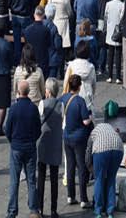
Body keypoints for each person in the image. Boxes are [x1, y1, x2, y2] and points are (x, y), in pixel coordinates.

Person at [4, 79, 42, 218]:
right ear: (29, 92)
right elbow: (38, 129)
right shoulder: (33, 108)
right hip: (30, 147)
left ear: (18, 92)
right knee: (31, 180)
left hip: (16, 147)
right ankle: (33, 209)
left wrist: (13, 141)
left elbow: (7, 129)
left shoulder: (14, 108)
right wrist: (32, 140)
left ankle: (12, 211)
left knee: (14, 181)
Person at [61, 74, 92, 208]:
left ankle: (70, 196)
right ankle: (84, 198)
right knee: (82, 167)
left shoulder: (63, 98)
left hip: (67, 136)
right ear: (79, 86)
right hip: (79, 138)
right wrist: (90, 117)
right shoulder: (80, 101)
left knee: (70, 166)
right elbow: (86, 121)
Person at [37, 78, 64, 218]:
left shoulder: (42, 104)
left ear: (47, 90)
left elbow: (39, 120)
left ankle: (40, 209)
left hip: (43, 141)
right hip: (56, 143)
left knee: (41, 176)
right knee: (54, 178)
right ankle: (54, 209)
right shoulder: (61, 105)